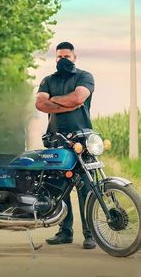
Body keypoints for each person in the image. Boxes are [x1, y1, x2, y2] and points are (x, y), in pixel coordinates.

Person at [35, 41, 96, 249]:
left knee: (86, 189)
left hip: (81, 140)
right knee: (58, 189)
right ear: (56, 59)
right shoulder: (48, 80)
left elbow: (79, 97)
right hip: (55, 140)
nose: (63, 61)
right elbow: (40, 104)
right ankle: (65, 231)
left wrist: (55, 100)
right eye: (59, 57)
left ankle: (90, 234)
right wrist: (68, 102)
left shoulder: (84, 77)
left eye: (67, 57)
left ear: (74, 58)